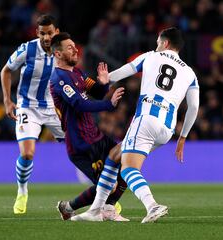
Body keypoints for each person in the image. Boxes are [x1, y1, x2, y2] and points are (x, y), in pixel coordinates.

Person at [71, 27, 200, 223]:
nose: (156, 46)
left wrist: (105, 79)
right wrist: (182, 138)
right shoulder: (190, 73)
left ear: (164, 43)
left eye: (158, 42)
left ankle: (152, 205)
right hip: (167, 129)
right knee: (115, 155)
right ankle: (98, 209)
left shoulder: (150, 56)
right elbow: (194, 106)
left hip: (146, 118)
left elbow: (127, 70)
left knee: (128, 168)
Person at [49, 32, 129, 221]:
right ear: (58, 54)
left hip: (96, 136)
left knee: (128, 166)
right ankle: (69, 207)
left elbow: (98, 93)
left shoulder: (77, 73)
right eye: (69, 47)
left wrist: (104, 83)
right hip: (81, 143)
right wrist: (109, 105)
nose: (75, 49)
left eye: (74, 45)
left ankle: (106, 208)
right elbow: (79, 104)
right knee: (107, 184)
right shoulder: (59, 78)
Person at [0, 15, 64, 214]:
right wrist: (7, 100)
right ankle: (22, 191)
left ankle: (105, 195)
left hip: (54, 108)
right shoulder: (27, 49)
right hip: (28, 106)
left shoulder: (62, 50)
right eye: (43, 33)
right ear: (37, 33)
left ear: (56, 32)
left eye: (50, 33)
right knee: (27, 153)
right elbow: (6, 71)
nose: (46, 37)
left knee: (81, 148)